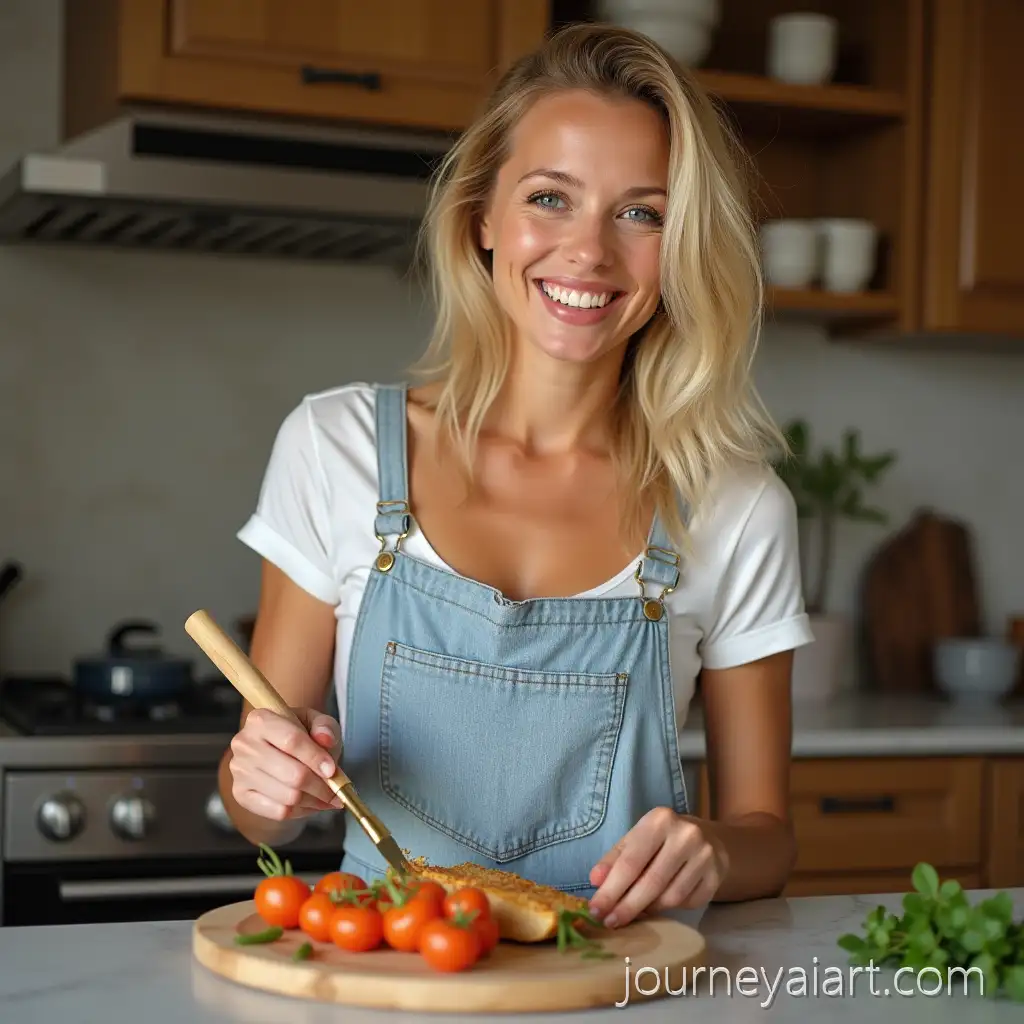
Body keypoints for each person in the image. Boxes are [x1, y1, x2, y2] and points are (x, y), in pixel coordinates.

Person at [219, 21, 813, 930]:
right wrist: (264, 779)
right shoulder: (334, 447)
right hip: (393, 966)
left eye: (642, 213)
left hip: (617, 976)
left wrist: (717, 850)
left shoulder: (735, 508)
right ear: (482, 217)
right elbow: (256, 806)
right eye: (549, 198)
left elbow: (767, 841)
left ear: (681, 246)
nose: (589, 252)